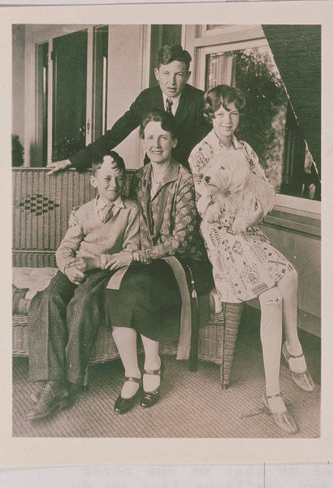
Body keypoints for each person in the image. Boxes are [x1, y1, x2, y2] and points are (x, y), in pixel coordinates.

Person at [189, 84, 314, 435]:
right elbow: (205, 206)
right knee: (271, 297)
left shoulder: (246, 149)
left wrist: (255, 215)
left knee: (289, 276)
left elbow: (262, 194)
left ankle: (293, 348)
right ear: (210, 116)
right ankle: (273, 394)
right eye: (219, 113)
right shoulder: (201, 154)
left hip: (249, 228)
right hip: (223, 236)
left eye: (233, 112)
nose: (227, 119)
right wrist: (239, 215)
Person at [101, 109, 213, 415]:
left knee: (141, 284)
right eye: (150, 137)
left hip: (184, 263)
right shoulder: (142, 176)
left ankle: (152, 366)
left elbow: (181, 240)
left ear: (174, 141)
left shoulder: (185, 180)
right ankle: (132, 375)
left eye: (163, 137)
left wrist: (135, 255)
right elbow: (121, 207)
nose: (156, 144)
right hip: (149, 260)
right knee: (113, 288)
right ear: (143, 141)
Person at [26, 151, 140, 421]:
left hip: (104, 270)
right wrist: (68, 267)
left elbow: (132, 249)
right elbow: (65, 248)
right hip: (76, 267)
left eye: (119, 179)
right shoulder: (83, 212)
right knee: (47, 298)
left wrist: (97, 261)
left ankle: (69, 381)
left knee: (83, 303)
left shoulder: (131, 210)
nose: (114, 184)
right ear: (93, 181)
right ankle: (54, 380)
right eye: (107, 178)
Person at [47, 44, 210, 174]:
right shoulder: (147, 98)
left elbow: (208, 147)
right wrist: (72, 161)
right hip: (153, 173)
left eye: (178, 74)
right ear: (156, 73)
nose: (171, 82)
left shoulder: (199, 101)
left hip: (189, 175)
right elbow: (115, 134)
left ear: (187, 76)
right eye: (166, 73)